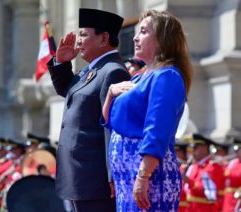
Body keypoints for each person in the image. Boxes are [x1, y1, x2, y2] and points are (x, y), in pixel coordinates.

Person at [102, 10, 193, 211]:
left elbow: (157, 130)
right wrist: (109, 94)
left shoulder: (167, 76)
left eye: (143, 31)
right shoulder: (139, 77)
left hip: (149, 176)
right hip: (127, 177)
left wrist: (143, 176)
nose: (135, 37)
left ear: (162, 40)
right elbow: (110, 123)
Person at [47, 8, 131, 212]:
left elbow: (112, 128)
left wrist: (113, 175)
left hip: (96, 180)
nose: (78, 42)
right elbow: (69, 91)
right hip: (80, 178)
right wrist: (62, 62)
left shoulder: (113, 71)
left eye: (83, 35)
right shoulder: (93, 70)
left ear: (103, 38)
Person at [183, 133, 225, 212]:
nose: (192, 152)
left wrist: (189, 181)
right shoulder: (194, 166)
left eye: (195, 148)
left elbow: (210, 192)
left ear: (204, 148)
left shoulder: (213, 167)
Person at [222, 137, 241, 212]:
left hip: (237, 198)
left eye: (238, 150)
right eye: (235, 150)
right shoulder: (233, 162)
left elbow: (237, 176)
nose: (236, 153)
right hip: (228, 199)